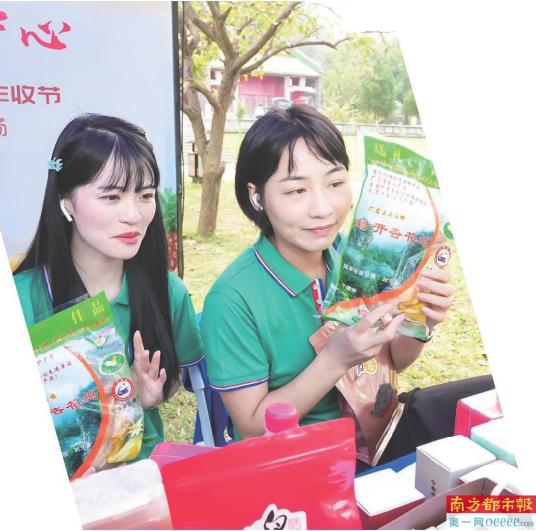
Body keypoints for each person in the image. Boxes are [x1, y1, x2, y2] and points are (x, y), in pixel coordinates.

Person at [201, 104, 493, 468]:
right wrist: (335, 359)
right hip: (307, 463)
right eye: (297, 190)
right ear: (256, 196)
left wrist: (422, 322)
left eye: (335, 183)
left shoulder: (352, 256)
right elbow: (252, 426)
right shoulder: (232, 299)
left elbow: (394, 361)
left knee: (495, 399)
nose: (323, 208)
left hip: (384, 427)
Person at [14, 113, 203, 459]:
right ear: (66, 201)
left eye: (145, 195)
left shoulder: (168, 292)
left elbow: (178, 375)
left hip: (142, 478)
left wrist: (142, 397)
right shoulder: (21, 299)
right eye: (112, 197)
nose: (134, 214)